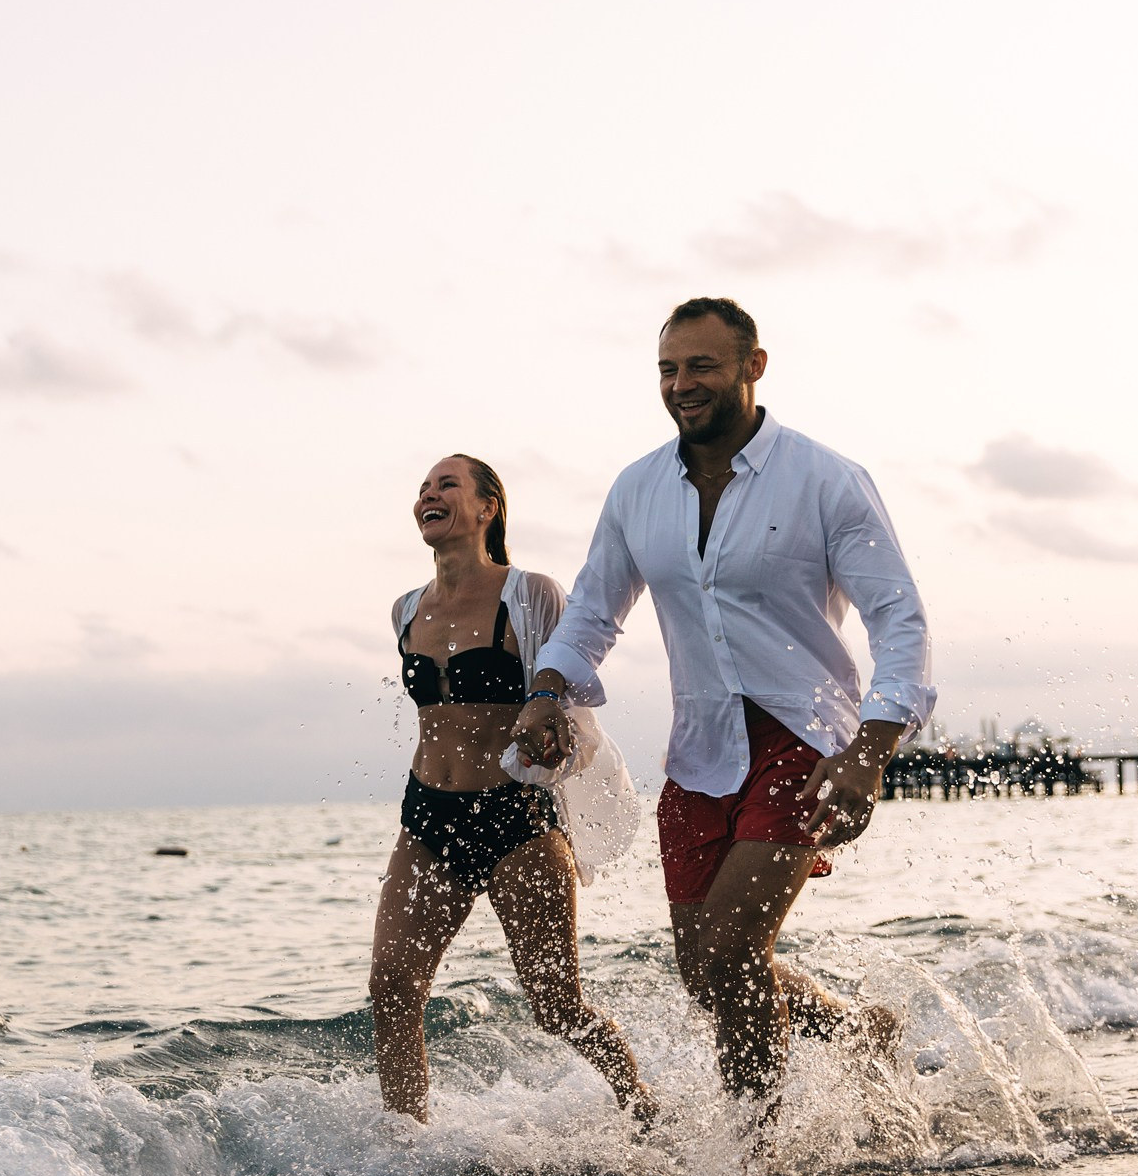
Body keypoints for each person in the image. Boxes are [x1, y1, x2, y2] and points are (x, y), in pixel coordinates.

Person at [511, 298, 935, 1099]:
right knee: (705, 970)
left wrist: (871, 750)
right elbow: (592, 611)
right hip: (701, 749)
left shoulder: (826, 479)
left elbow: (899, 620)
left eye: (701, 365)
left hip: (805, 739)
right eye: (668, 369)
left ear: (753, 366)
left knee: (734, 951)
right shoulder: (637, 489)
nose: (682, 384)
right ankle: (857, 1029)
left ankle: (752, 1149)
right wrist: (546, 689)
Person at [372, 454, 657, 1124]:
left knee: (557, 1006)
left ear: (487, 508)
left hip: (516, 818)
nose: (429, 494)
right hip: (427, 816)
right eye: (423, 488)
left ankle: (639, 1102)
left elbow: (568, 704)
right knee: (392, 988)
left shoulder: (530, 595)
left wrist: (551, 741)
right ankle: (405, 1150)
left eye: (447, 484)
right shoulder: (406, 609)